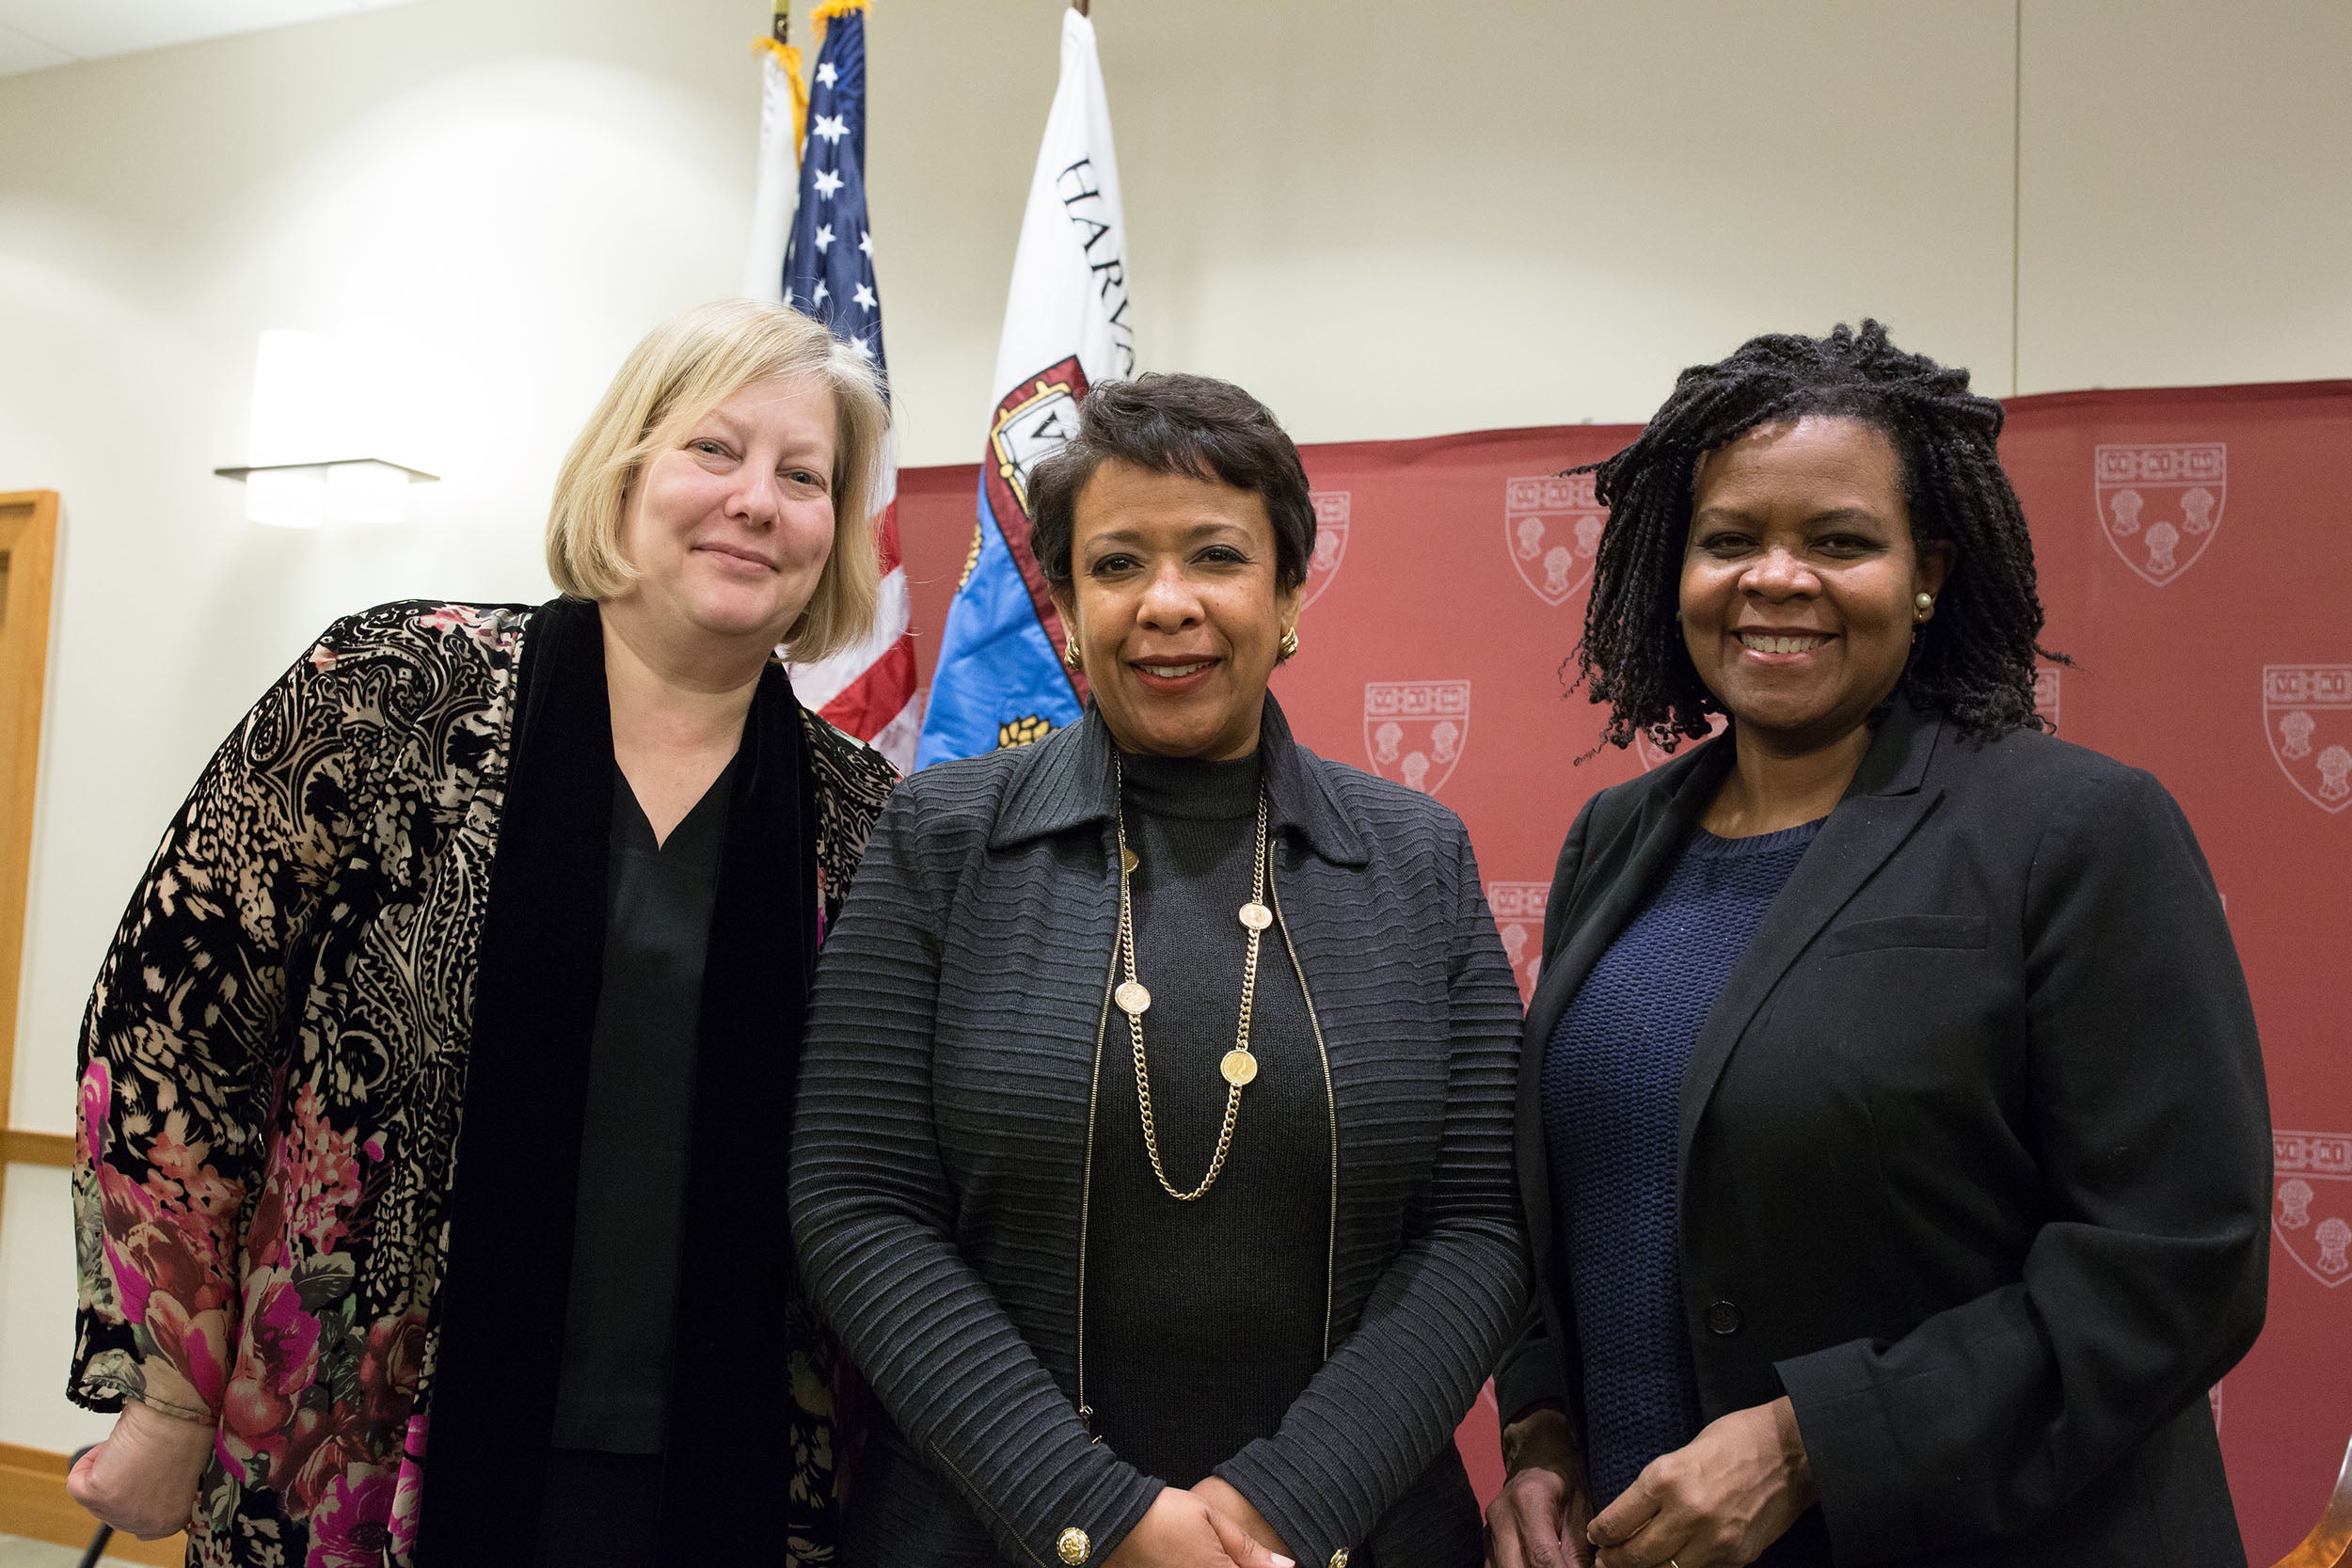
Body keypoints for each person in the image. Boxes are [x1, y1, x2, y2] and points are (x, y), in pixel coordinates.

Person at [66, 298, 900, 1567]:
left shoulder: (866, 818)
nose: (756, 500)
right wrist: (170, 1387)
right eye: (714, 450)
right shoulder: (391, 690)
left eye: (804, 476)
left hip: (737, 1477)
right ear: (624, 471)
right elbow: (169, 1026)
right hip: (354, 1456)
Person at [1483, 322, 2270, 1568]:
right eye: (1728, 539)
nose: (1775, 577)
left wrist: (1812, 1443)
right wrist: (1541, 1428)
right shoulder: (1614, 839)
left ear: (1926, 573)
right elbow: (1572, 1202)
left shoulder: (2077, 828)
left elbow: (2180, 1257)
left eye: (1839, 541)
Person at [789, 372, 1528, 1568]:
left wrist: (1280, 1505)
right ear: (1067, 602)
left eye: (1216, 556)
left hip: (1349, 1537)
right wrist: (1100, 1517)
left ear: (1288, 590)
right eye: (1118, 563)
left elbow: (1481, 1221)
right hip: (988, 1535)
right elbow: (858, 1204)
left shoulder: (1414, 853)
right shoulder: (939, 837)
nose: (1166, 602)